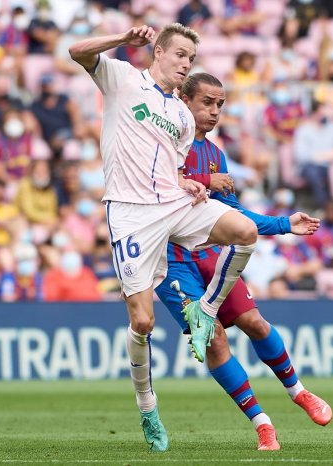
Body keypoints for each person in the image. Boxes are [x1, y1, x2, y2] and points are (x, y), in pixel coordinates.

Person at [69, 23, 258, 451]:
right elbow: (76, 50)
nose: (186, 63)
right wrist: (122, 39)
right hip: (130, 213)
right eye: (180, 55)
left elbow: (173, 168)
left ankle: (205, 310)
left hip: (171, 204)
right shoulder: (122, 78)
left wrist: (188, 183)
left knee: (244, 231)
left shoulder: (180, 116)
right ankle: (148, 407)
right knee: (142, 321)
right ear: (158, 51)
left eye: (191, 58)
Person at [154, 72, 328, 451]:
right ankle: (263, 424)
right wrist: (202, 180)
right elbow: (154, 184)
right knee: (214, 339)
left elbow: (232, 214)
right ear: (183, 101)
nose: (215, 111)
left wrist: (285, 224)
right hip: (170, 260)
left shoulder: (215, 153)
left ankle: (299, 392)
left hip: (210, 253)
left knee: (255, 322)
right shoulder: (162, 141)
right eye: (207, 103)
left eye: (220, 104)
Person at [293, 99, 333, 207]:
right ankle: (324, 207)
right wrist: (326, 155)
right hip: (310, 167)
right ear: (314, 113)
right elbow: (301, 156)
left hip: (331, 166)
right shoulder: (304, 130)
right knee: (313, 173)